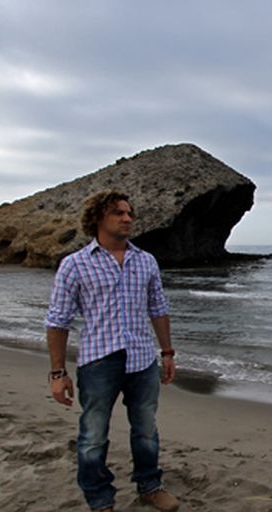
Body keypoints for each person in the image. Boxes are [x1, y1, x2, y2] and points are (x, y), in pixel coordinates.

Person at [45, 190, 180, 512]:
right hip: (98, 361)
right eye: (118, 213)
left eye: (130, 213)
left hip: (142, 359)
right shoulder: (74, 265)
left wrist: (167, 353)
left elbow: (158, 309)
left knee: (146, 428)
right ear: (97, 219)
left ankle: (150, 485)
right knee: (93, 435)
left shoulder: (145, 261)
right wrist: (57, 372)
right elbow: (57, 321)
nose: (127, 218)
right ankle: (100, 499)